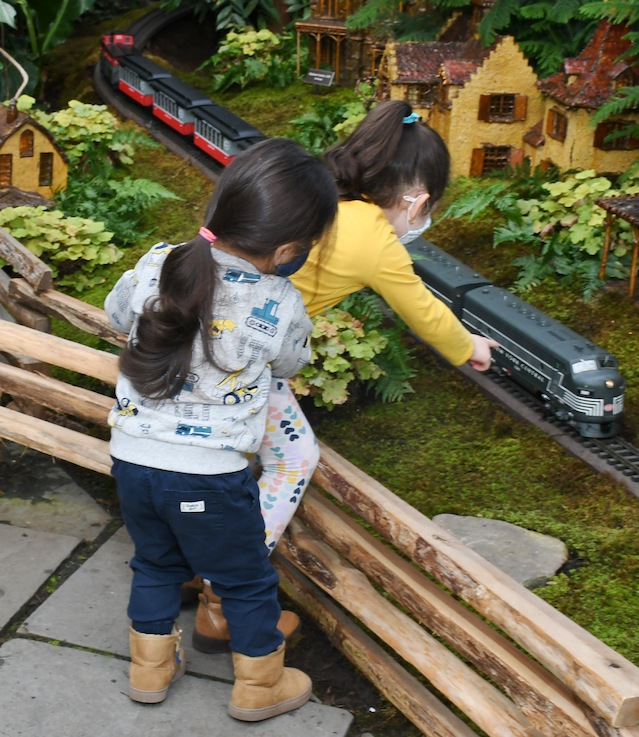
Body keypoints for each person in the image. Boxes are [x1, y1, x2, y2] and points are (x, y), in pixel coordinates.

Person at [189, 99, 499, 653]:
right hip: (241, 359)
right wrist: (468, 347)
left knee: (217, 461)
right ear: (418, 201)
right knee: (294, 457)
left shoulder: (314, 195)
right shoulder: (376, 241)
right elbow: (423, 312)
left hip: (195, 331)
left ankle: (191, 564)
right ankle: (224, 593)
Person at [105, 137, 338, 722]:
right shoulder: (278, 298)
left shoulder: (160, 261)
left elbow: (115, 315)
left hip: (132, 462)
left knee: (154, 565)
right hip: (209, 477)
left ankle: (150, 671)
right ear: (287, 249)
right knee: (246, 580)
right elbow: (289, 364)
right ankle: (260, 686)